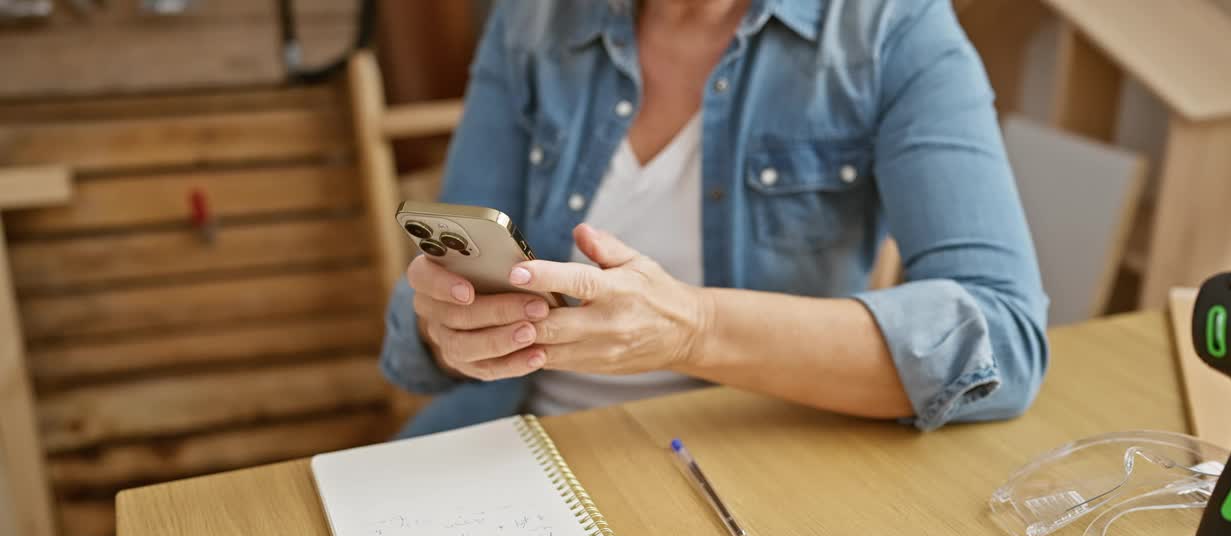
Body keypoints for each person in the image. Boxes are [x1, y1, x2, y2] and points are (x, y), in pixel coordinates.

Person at [380, 0, 1048, 437]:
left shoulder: (890, 27)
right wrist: (448, 324)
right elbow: (448, 278)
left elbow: (1005, 342)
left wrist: (694, 330)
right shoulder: (533, 19)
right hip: (517, 436)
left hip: (750, 457)